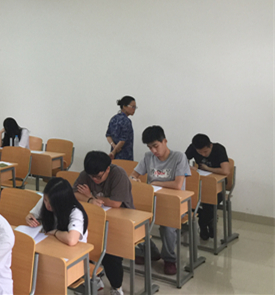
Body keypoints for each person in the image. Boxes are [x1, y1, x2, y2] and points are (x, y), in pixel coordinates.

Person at [130, 126, 190, 276]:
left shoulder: (179, 157)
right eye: (150, 147)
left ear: (165, 141)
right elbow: (133, 175)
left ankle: (169, 259)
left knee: (167, 226)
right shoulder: (148, 157)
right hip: (152, 201)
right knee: (135, 220)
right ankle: (150, 251)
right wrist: (134, 180)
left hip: (174, 203)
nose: (153, 151)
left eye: (155, 146)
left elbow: (177, 185)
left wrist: (155, 182)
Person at [73, 151, 133, 295]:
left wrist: (90, 196)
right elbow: (74, 194)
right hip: (97, 218)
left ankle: (116, 288)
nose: (94, 180)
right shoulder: (87, 173)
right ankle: (94, 277)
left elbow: (115, 203)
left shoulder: (118, 174)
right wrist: (89, 200)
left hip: (120, 220)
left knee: (110, 252)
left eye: (98, 177)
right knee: (84, 245)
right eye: (91, 177)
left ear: (107, 169)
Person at [185, 134, 230, 240]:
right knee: (191, 201)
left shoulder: (219, 149)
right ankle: (208, 221)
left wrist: (208, 169)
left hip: (218, 186)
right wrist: (190, 168)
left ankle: (203, 224)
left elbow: (226, 171)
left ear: (210, 145)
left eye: (205, 152)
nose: (203, 155)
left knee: (209, 203)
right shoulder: (192, 148)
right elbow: (182, 161)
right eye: (200, 153)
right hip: (200, 183)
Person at [26, 177, 88, 247]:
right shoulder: (47, 199)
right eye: (45, 200)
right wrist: (29, 219)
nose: (47, 205)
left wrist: (55, 232)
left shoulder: (76, 212)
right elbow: (32, 216)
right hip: (51, 244)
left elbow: (71, 240)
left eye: (52, 203)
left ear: (62, 202)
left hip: (71, 250)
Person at [106, 96, 136, 160]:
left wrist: (113, 146)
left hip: (113, 156)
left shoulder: (113, 118)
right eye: (133, 107)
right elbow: (123, 140)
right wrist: (114, 152)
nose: (134, 109)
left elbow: (108, 135)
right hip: (125, 156)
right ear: (124, 106)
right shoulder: (127, 121)